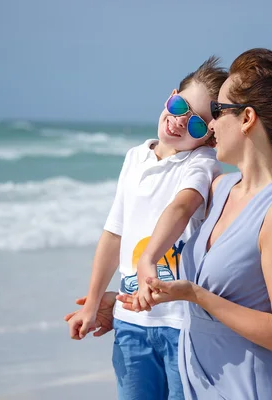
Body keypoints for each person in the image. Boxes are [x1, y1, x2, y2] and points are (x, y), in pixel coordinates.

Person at [117, 48, 272, 399]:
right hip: (201, 387)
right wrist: (126, 295)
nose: (210, 125)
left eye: (217, 111)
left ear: (246, 118)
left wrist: (198, 296)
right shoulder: (220, 188)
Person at [65, 57, 227, 400]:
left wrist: (149, 258)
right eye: (179, 105)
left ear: (211, 138)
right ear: (170, 96)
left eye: (197, 124)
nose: (180, 121)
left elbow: (182, 206)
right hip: (130, 323)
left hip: (181, 326)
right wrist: (92, 304)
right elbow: (114, 234)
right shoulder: (134, 158)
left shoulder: (200, 163)